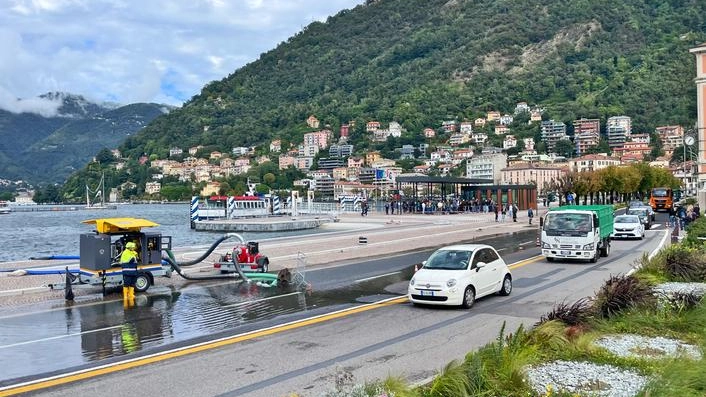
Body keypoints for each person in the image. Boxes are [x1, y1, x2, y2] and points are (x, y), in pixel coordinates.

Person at [120, 241, 139, 305]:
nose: (133, 248)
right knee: (126, 284)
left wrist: (135, 256)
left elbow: (136, 261)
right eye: (132, 247)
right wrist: (133, 258)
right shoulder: (125, 253)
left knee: (132, 283)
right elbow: (127, 261)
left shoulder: (133, 253)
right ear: (129, 248)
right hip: (127, 272)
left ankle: (131, 294)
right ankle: (125, 295)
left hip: (133, 271)